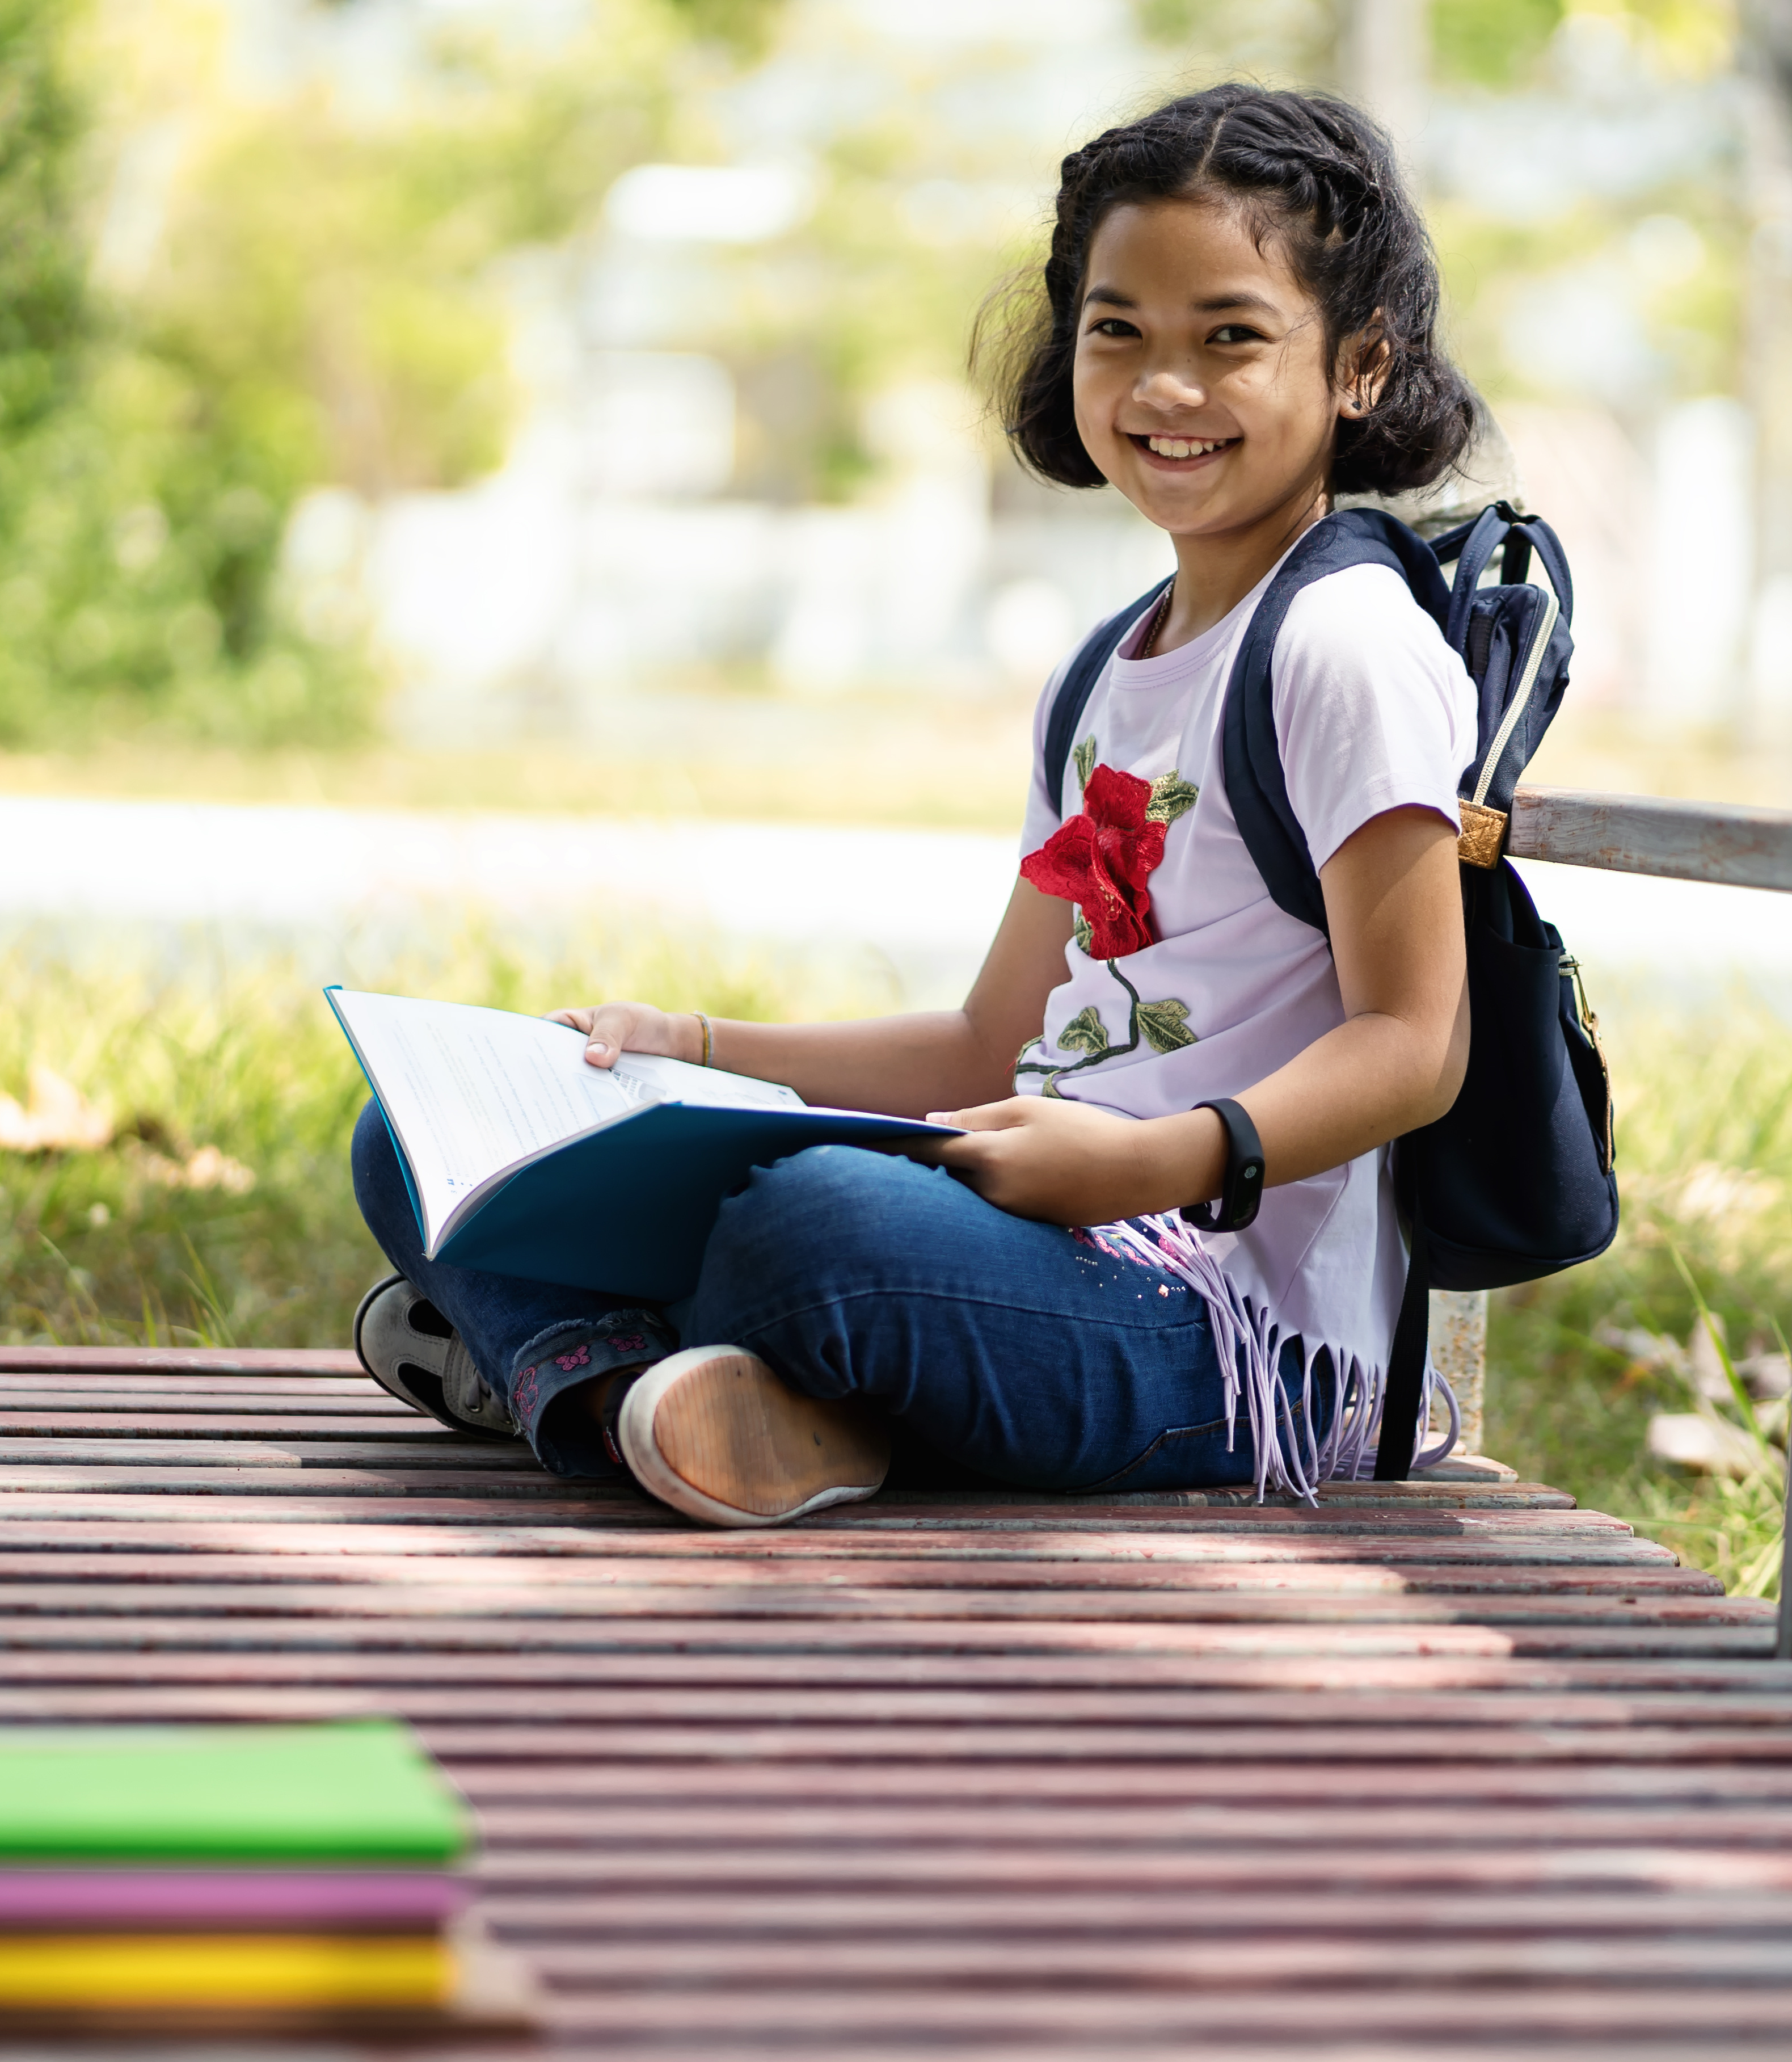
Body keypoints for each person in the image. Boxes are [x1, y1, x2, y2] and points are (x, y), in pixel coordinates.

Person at [352, 83, 1485, 1527]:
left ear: (1362, 366)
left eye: (1232, 337)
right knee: (429, 1139)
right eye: (1118, 329)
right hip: (1034, 1226)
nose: (1165, 387)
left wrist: (1150, 1157)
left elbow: (1416, 1043)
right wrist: (685, 1048)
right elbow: (981, 1038)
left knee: (817, 1224)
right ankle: (661, 1405)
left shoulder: (1344, 643)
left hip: (1216, 1324)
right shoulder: (1105, 670)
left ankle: (599, 1373)